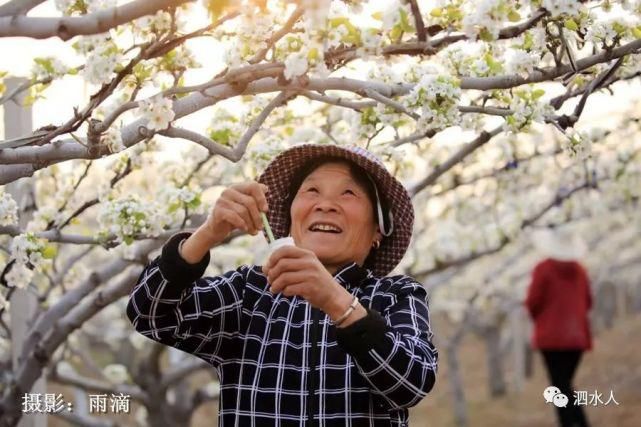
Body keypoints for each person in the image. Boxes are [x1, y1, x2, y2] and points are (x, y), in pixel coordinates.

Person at [126, 143, 438, 426]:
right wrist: (207, 234)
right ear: (289, 221)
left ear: (377, 233)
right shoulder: (250, 292)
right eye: (312, 191)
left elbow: (411, 383)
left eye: (348, 194)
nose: (325, 204)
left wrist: (336, 302)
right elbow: (150, 313)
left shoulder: (395, 295)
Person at [525, 228, 592, 427]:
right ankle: (578, 422)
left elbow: (532, 302)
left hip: (551, 339)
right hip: (577, 338)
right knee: (565, 385)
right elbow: (588, 301)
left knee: (560, 387)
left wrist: (544, 319)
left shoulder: (544, 268)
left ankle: (573, 422)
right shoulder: (580, 271)